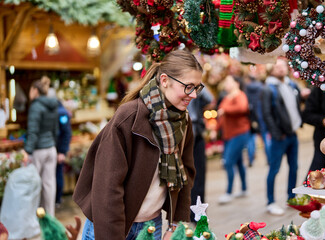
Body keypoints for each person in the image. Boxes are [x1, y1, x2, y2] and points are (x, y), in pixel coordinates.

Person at [73, 50, 203, 240]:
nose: (194, 95)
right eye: (189, 87)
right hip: (110, 225)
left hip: (151, 226)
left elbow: (185, 174)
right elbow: (108, 187)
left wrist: (176, 224)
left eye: (197, 88)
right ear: (165, 80)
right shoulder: (128, 117)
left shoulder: (183, 121)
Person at [261, 58, 302, 215]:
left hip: (293, 134)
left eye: (283, 66)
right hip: (280, 137)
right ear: (271, 69)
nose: (281, 69)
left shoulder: (291, 84)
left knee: (294, 167)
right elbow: (266, 114)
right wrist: (277, 134)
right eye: (277, 66)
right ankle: (270, 202)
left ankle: (291, 198)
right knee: (274, 169)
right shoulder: (268, 88)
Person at [23, 76, 58, 216]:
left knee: (34, 185)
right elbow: (55, 130)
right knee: (49, 185)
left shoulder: (36, 106)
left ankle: (34, 217)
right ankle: (50, 216)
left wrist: (27, 150)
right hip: (51, 149)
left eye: (30, 90)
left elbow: (33, 130)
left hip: (38, 150)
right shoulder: (53, 104)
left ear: (35, 90)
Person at [217, 75, 251, 204]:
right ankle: (243, 188)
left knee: (229, 161)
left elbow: (242, 108)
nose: (226, 84)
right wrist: (216, 130)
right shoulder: (226, 97)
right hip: (229, 134)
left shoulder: (240, 95)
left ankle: (229, 192)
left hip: (239, 133)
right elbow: (221, 114)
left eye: (228, 81)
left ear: (236, 83)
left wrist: (225, 109)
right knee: (238, 162)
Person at [187, 86, 214, 222]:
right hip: (183, 134)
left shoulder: (197, 87)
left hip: (197, 133)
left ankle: (198, 212)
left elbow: (209, 99)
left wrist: (198, 84)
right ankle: (188, 213)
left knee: (200, 175)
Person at [47, 88, 72, 206]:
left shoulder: (61, 112)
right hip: (53, 148)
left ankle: (57, 199)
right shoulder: (53, 110)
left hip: (58, 150)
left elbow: (67, 133)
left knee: (57, 174)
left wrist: (62, 151)